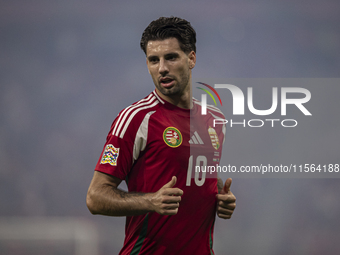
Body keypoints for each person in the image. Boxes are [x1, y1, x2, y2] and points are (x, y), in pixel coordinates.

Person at [86, 16, 236, 255]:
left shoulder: (215, 120)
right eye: (153, 60)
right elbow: (95, 197)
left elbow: (194, 174)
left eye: (171, 57)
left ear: (191, 59)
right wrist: (150, 201)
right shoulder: (136, 118)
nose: (162, 68)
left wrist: (219, 197)